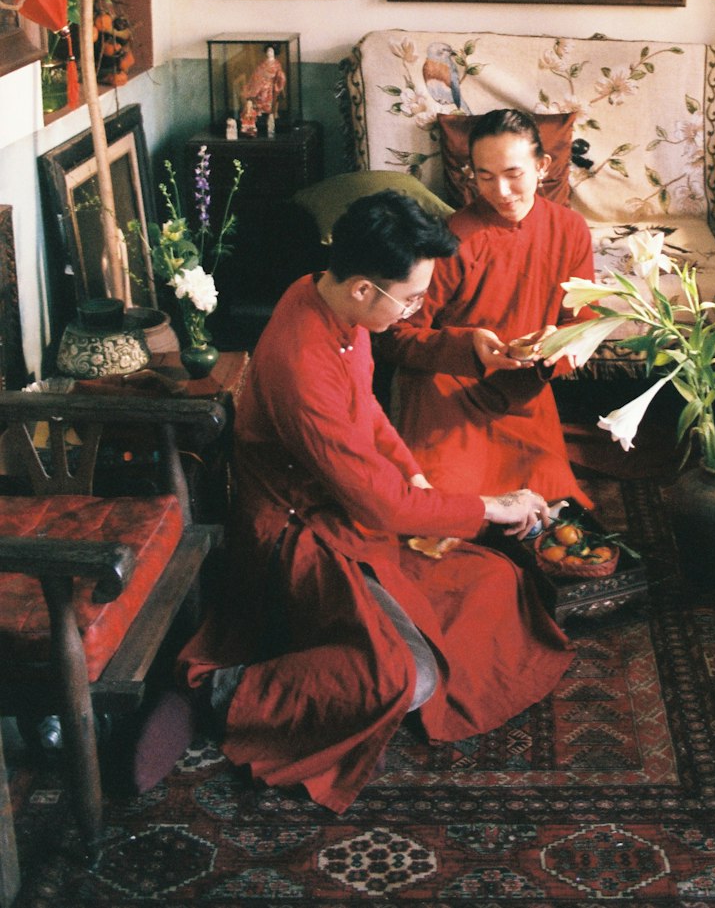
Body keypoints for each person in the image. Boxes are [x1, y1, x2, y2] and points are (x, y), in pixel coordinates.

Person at [177, 190, 571, 813]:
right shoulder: (302, 361)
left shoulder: (325, 296)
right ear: (363, 288)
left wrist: (415, 476)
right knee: (405, 678)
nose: (416, 309)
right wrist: (487, 507)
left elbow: (368, 411)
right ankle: (221, 691)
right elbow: (379, 507)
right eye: (411, 299)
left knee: (494, 582)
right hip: (298, 534)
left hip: (347, 507)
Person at [379, 109, 595, 509]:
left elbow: (583, 322)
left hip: (523, 391)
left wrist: (556, 346)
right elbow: (396, 339)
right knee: (446, 510)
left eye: (514, 173)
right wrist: (466, 347)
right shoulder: (452, 239)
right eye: (485, 176)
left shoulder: (570, 230)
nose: (502, 191)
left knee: (550, 505)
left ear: (542, 166)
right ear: (470, 174)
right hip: (446, 386)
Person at [243, 44, 287, 120]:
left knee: (267, 93)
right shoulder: (263, 63)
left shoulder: (277, 64)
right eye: (268, 51)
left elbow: (279, 74)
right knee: (258, 93)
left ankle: (272, 112)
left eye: (271, 51)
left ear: (274, 53)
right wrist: (258, 79)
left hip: (271, 84)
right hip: (261, 83)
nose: (269, 53)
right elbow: (257, 72)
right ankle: (259, 110)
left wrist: (276, 79)